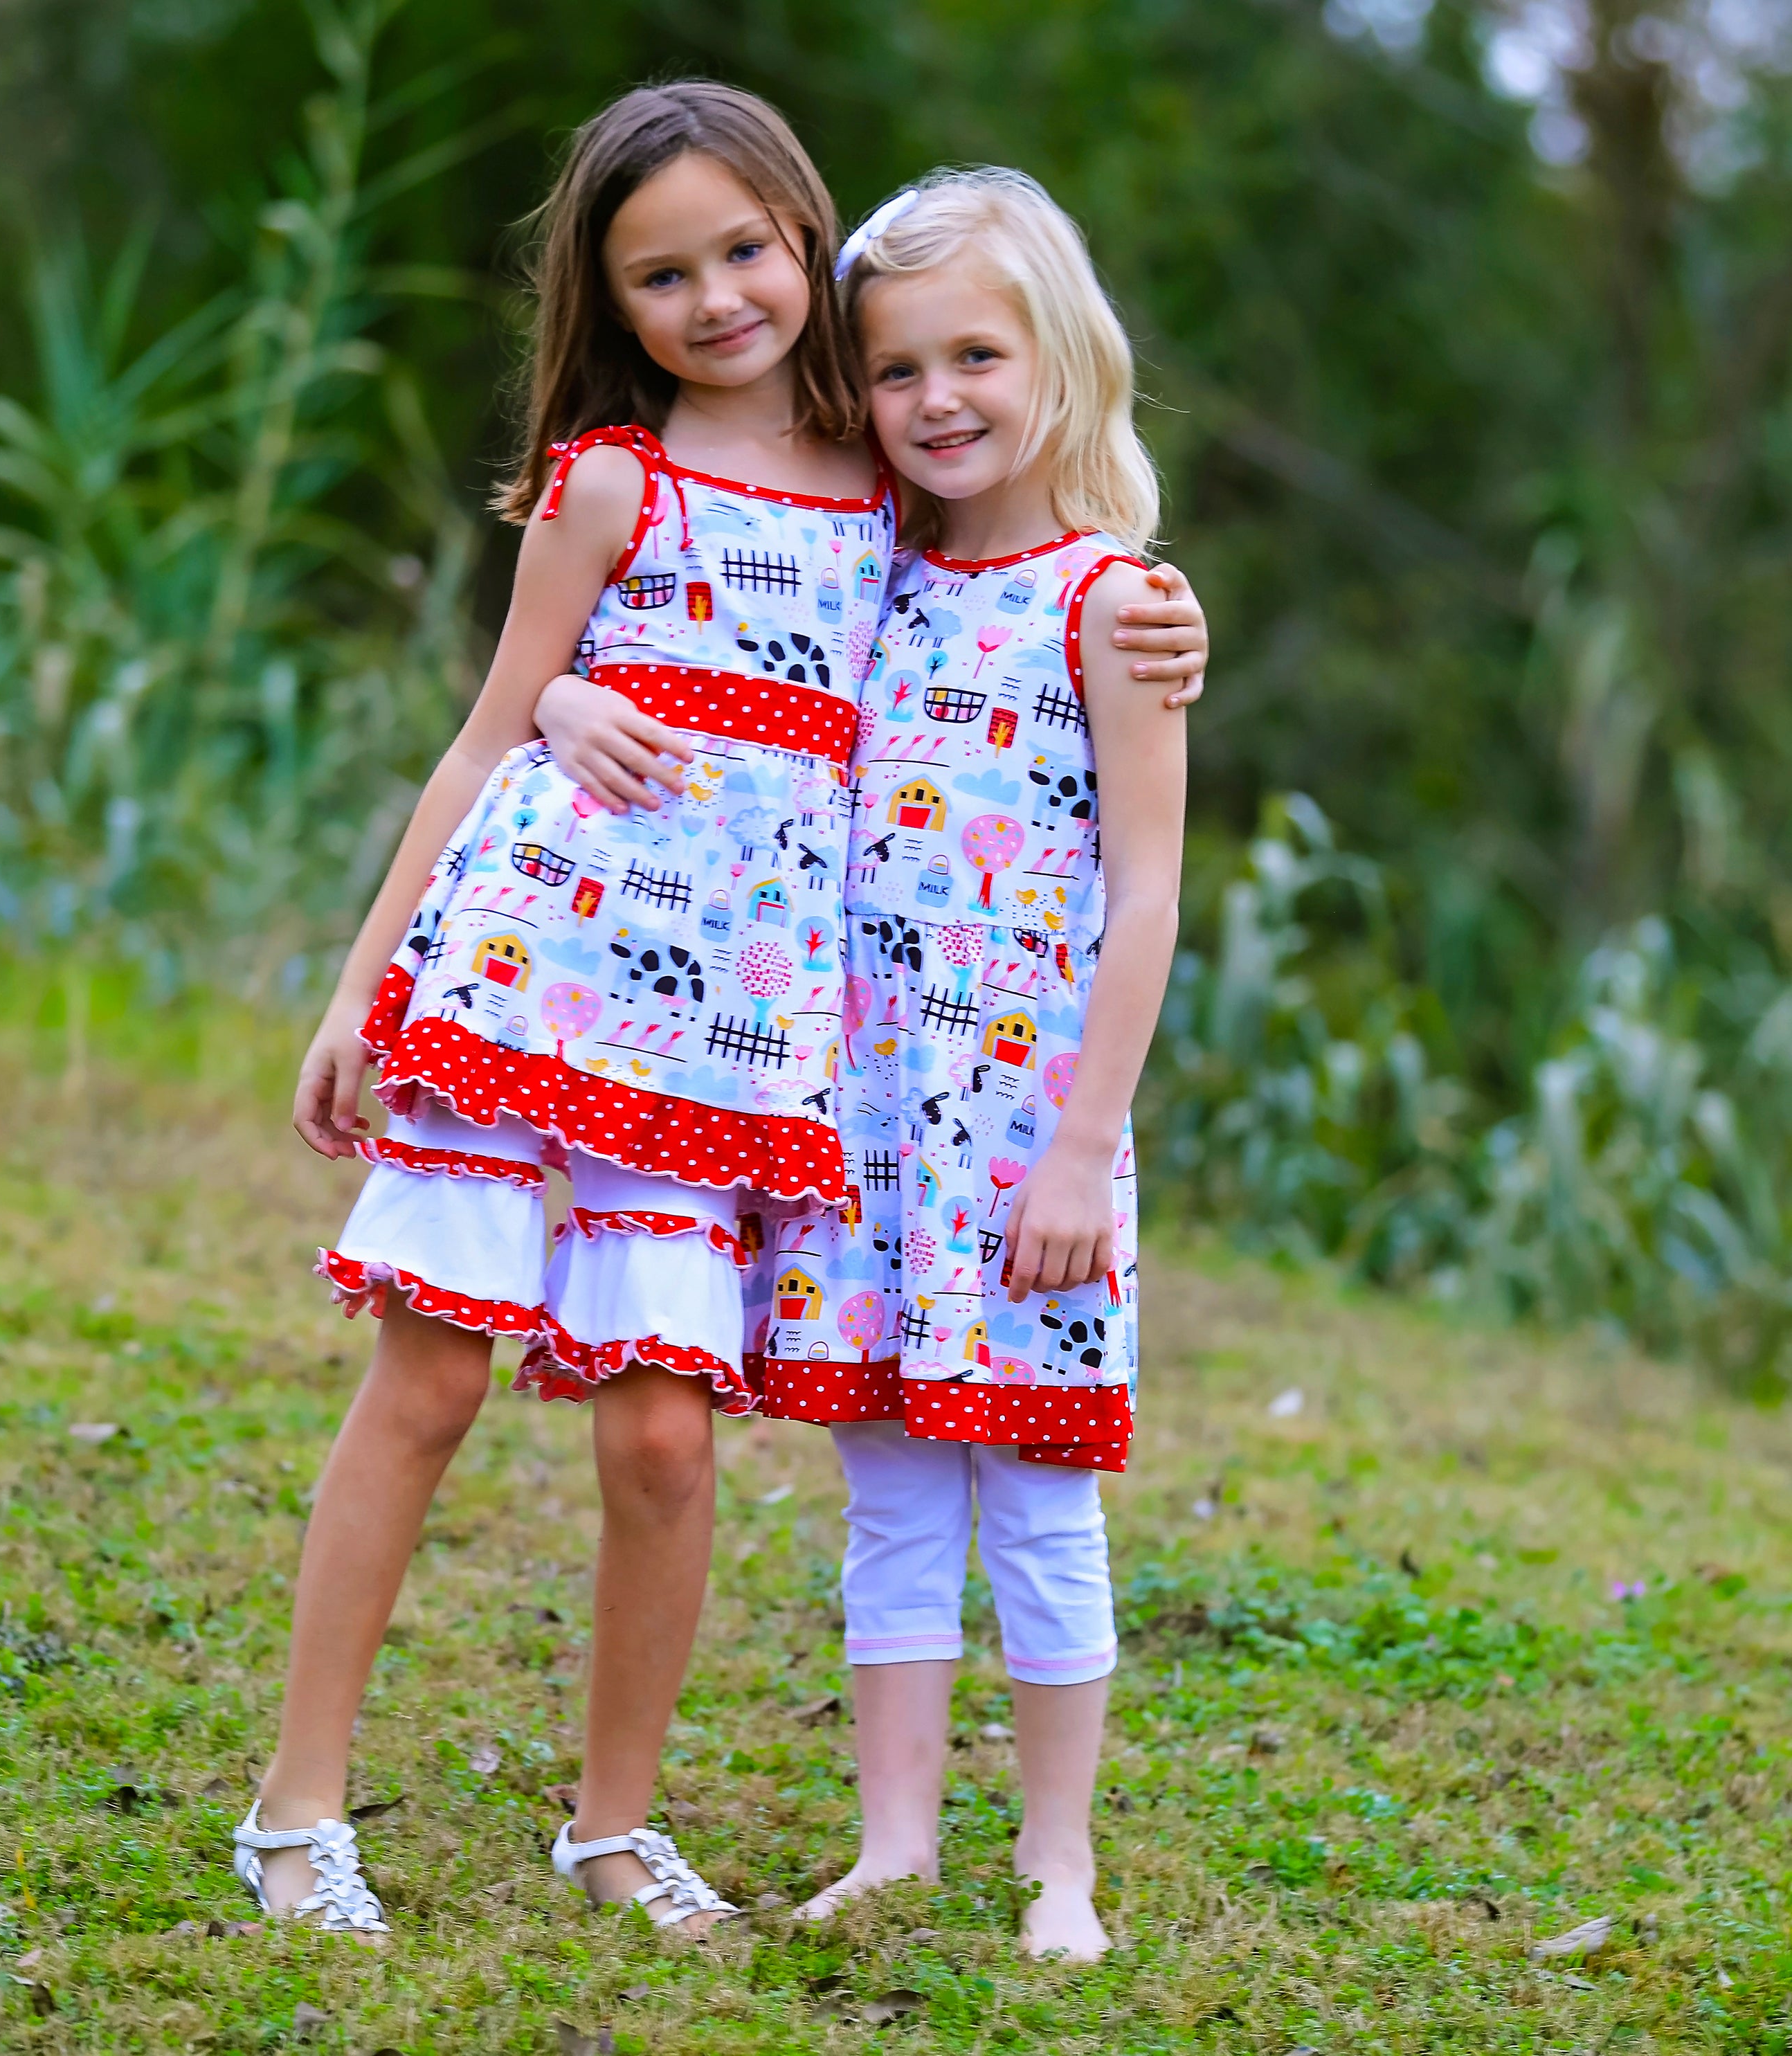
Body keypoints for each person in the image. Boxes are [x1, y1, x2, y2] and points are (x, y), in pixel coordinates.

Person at [240, 80, 892, 1938]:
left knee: (666, 1434)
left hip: (728, 1024)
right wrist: (365, 984)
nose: (716, 299)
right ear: (613, 302)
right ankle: (296, 1809)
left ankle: (611, 1824)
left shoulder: (887, 482)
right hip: (538, 971)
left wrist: (1147, 594)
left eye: (746, 251)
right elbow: (489, 714)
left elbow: (1047, 537)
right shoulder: (616, 475)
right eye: (662, 274)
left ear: (804, 232)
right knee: (431, 1374)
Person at [751, 169, 1189, 1962]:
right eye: (897, 366)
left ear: (1058, 360)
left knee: (1036, 1498)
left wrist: (1086, 1145)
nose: (937, 397)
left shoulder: (1111, 601)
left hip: (1027, 1140)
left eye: (975, 355)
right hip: (868, 1139)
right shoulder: (868, 583)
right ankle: (893, 1840)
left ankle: (1057, 1859)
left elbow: (1148, 888)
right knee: (888, 1496)